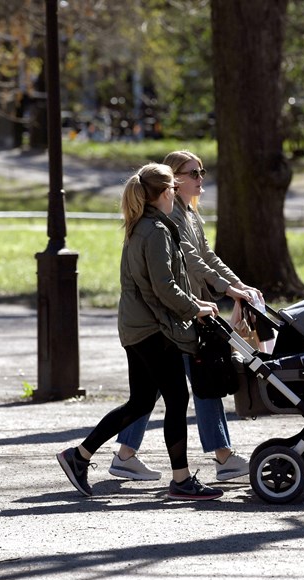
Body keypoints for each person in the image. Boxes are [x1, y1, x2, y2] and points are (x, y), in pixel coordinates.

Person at [56, 162, 223, 501]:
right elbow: (164, 288)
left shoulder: (144, 225)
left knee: (141, 400)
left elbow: (163, 283)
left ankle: (79, 456)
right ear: (164, 194)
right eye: (174, 189)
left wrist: (193, 305)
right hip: (152, 330)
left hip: (138, 327)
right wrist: (197, 308)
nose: (177, 194)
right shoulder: (156, 231)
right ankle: (181, 479)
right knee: (177, 397)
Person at [108, 149, 261, 483]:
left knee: (159, 389)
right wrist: (226, 292)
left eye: (202, 171)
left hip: (186, 312)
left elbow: (208, 254)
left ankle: (124, 454)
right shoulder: (168, 218)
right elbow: (193, 262)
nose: (200, 178)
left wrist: (237, 284)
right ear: (173, 180)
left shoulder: (190, 215)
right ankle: (220, 457)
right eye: (194, 173)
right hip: (176, 314)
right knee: (194, 383)